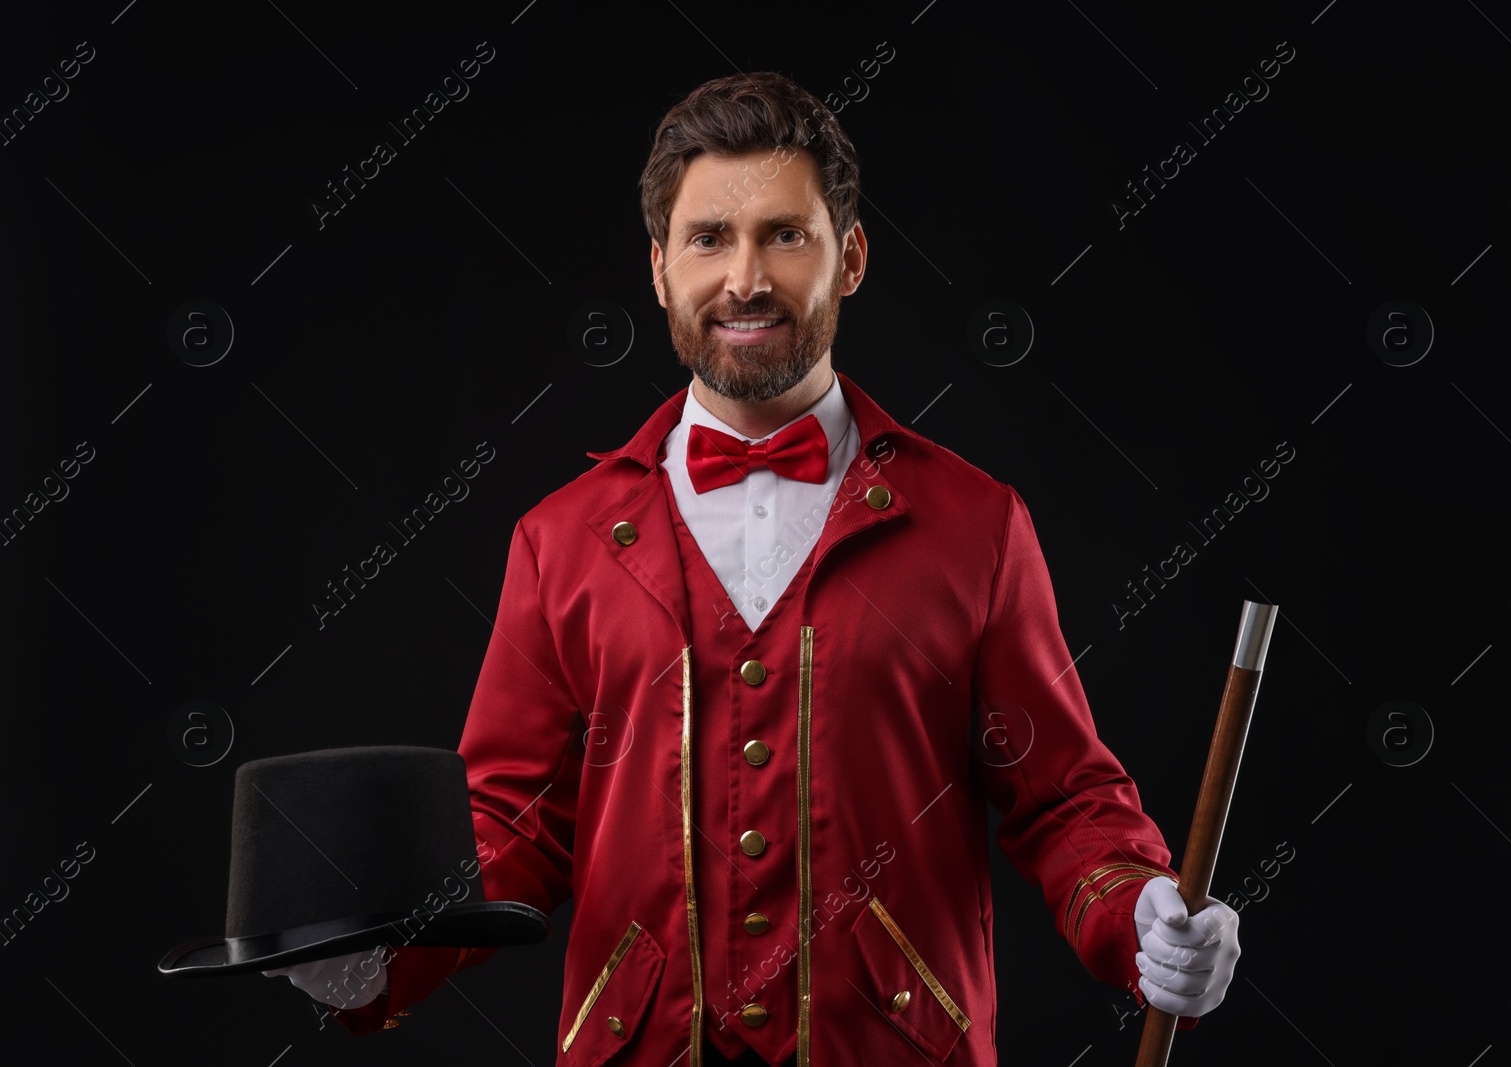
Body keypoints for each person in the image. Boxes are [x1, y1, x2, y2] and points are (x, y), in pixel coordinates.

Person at [264, 72, 1241, 1066]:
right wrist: (388, 957)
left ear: (849, 256)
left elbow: (1063, 797)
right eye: (708, 238)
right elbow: (514, 823)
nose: (745, 278)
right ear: (657, 269)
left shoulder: (976, 526)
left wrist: (1144, 910)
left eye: (785, 233)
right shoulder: (558, 540)